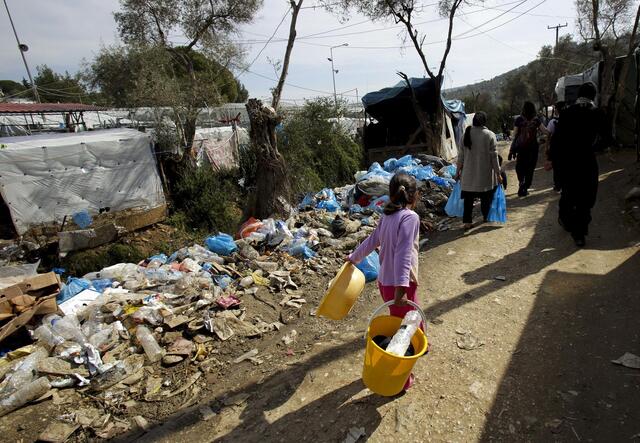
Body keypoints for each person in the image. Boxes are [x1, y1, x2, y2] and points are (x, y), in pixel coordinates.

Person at [347, 172, 421, 390]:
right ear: (414, 196)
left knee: (407, 320)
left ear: (391, 194)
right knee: (404, 329)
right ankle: (402, 379)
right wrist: (402, 288)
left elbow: (371, 241)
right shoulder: (410, 217)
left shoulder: (387, 217)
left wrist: (354, 257)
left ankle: (421, 342)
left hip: (385, 281)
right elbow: (404, 254)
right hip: (402, 282)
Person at [549, 82, 606, 247]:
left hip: (568, 163)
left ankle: (566, 220)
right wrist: (593, 148)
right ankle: (579, 234)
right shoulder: (597, 113)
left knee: (569, 194)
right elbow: (607, 138)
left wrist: (552, 158)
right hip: (587, 162)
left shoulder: (567, 113)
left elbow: (557, 140)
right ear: (594, 96)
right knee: (585, 198)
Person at [455, 112, 503, 230]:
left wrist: (457, 172)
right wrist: (498, 174)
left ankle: (467, 222)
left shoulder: (465, 135)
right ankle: (486, 216)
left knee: (468, 200)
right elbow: (494, 158)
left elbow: (460, 157)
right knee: (486, 197)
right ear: (484, 121)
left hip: (468, 175)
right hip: (484, 175)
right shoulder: (490, 135)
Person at [508, 101, 549, 197]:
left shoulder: (519, 119)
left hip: (521, 148)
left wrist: (513, 148)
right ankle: (525, 187)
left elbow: (514, 135)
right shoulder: (536, 120)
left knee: (520, 167)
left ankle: (521, 181)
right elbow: (545, 131)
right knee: (530, 168)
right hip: (533, 148)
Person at [545, 101, 565, 192]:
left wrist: (547, 147)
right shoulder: (571, 120)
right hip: (567, 147)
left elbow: (548, 136)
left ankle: (558, 185)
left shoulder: (553, 122)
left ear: (557, 110)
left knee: (557, 167)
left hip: (556, 149)